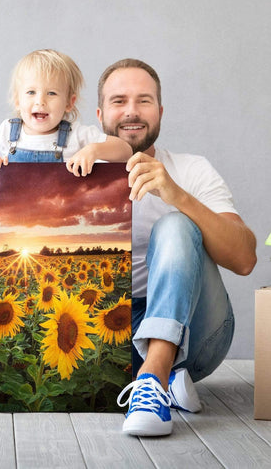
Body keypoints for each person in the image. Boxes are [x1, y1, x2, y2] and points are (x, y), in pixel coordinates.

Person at [96, 58, 256, 437]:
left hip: (197, 333)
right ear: (100, 114)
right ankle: (170, 378)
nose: (132, 111)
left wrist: (176, 195)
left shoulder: (191, 169)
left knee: (176, 224)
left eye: (144, 100)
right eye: (119, 101)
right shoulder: (78, 169)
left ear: (161, 111)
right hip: (109, 335)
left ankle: (154, 377)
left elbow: (245, 258)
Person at [0, 49, 132, 174]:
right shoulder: (7, 131)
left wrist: (93, 150)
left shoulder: (76, 134)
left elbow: (125, 150)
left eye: (52, 93)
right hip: (16, 205)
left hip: (62, 205)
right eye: (31, 92)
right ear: (17, 100)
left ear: (69, 103)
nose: (40, 101)